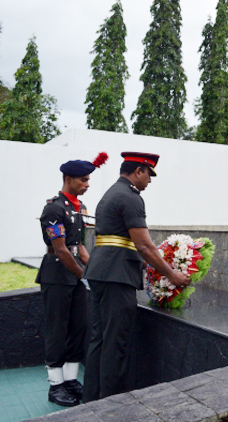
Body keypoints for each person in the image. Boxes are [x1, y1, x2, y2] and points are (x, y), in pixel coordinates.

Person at [83, 152, 190, 402]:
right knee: (115, 344)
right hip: (116, 278)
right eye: (149, 175)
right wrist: (172, 274)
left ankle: (91, 402)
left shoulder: (112, 193)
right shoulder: (130, 197)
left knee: (99, 340)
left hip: (102, 272)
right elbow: (144, 245)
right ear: (139, 170)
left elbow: (120, 241)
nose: (149, 181)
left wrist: (150, 265)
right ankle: (110, 407)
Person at [37, 153, 107, 406]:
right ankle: (55, 385)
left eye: (88, 180)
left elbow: (79, 247)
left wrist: (92, 271)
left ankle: (70, 380)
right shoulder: (54, 208)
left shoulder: (79, 208)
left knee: (78, 328)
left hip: (75, 277)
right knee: (58, 329)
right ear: (69, 179)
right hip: (57, 276)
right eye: (83, 180)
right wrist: (83, 276)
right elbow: (61, 250)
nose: (87, 184)